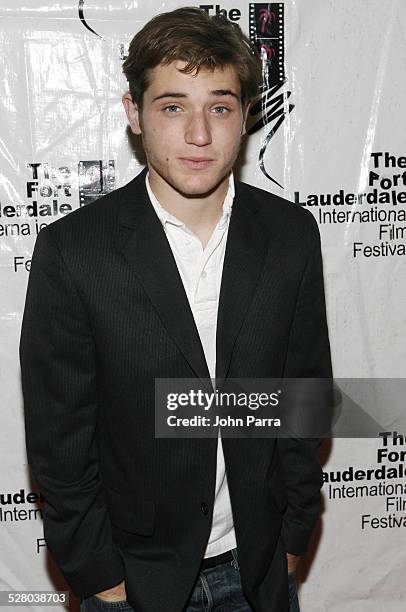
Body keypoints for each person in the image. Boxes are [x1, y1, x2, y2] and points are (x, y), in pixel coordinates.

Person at [19, 7, 332, 612]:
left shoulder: (290, 234)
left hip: (261, 567)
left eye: (219, 106)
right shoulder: (74, 251)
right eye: (172, 107)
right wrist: (100, 576)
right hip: (135, 582)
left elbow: (304, 395)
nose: (198, 134)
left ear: (246, 115)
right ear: (134, 114)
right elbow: (60, 443)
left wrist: (294, 531)